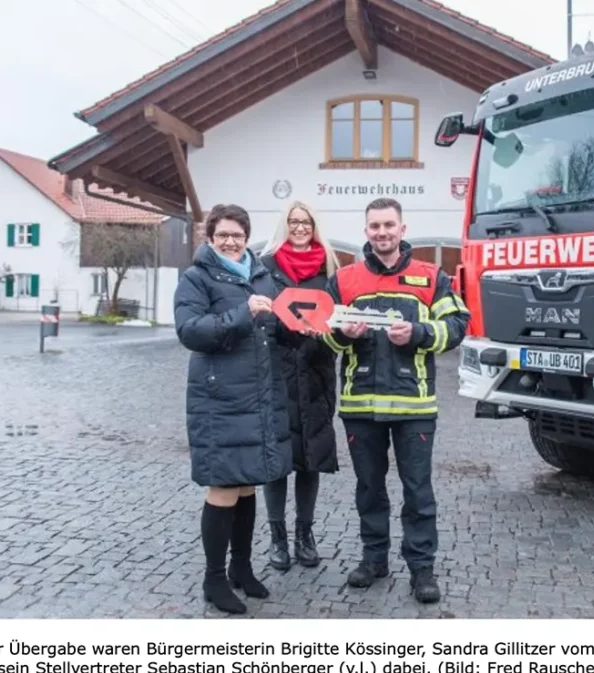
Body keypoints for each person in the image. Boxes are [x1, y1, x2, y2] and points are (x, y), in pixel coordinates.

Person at [321, 197, 470, 604]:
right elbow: (326, 333)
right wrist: (343, 334)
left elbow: (457, 325)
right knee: (369, 488)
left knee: (417, 490)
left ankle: (422, 569)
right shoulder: (345, 279)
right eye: (374, 226)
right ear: (366, 231)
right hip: (360, 406)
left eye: (389, 225)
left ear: (402, 230)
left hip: (414, 408)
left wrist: (420, 334)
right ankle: (374, 560)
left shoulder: (430, 275)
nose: (382, 233)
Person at [173, 203, 294, 615]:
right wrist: (243, 313)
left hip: (259, 395)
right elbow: (190, 331)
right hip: (220, 400)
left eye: (237, 235)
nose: (230, 241)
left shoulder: (262, 275)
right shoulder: (196, 278)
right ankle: (214, 578)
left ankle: (242, 569)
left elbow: (279, 328)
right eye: (223, 234)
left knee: (247, 484)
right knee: (223, 487)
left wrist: (301, 331)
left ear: (247, 238)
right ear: (211, 238)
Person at [258, 201, 340, 571]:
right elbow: (261, 317)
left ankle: (304, 535)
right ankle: (277, 539)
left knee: (310, 458)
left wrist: (326, 334)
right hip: (277, 372)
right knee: (277, 460)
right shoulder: (267, 267)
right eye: (293, 221)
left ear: (314, 225)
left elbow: (337, 319)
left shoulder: (330, 269)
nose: (300, 227)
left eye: (306, 222)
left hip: (317, 371)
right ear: (284, 225)